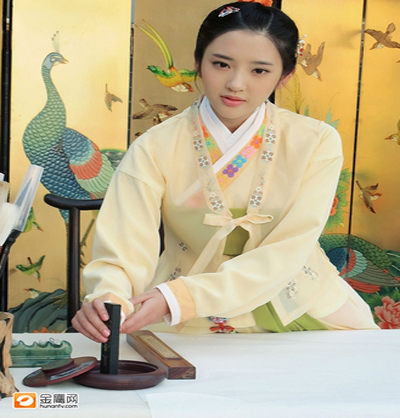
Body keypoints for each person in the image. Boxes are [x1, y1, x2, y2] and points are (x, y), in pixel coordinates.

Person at [72, 1, 378, 343]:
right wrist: (109, 299)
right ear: (197, 63)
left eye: (259, 71)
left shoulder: (315, 141)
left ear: (285, 76)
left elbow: (290, 247)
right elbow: (124, 246)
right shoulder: (155, 146)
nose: (235, 83)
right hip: (175, 307)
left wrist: (182, 298)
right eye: (221, 64)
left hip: (299, 300)